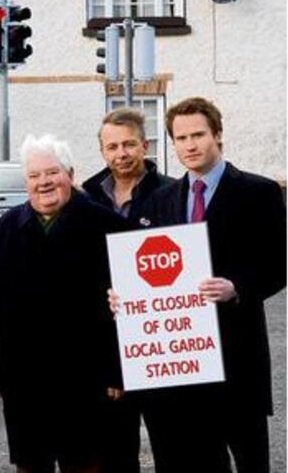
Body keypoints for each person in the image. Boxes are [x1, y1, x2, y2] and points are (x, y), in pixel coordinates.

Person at [132, 97, 286, 473]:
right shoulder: (160, 199)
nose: (190, 145)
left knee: (251, 460)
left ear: (217, 134)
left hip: (238, 357)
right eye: (181, 138)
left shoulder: (259, 191)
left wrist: (238, 287)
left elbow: (281, 262)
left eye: (198, 134)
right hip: (183, 362)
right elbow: (145, 267)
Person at [0, 134, 126, 473]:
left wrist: (117, 370)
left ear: (70, 174)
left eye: (52, 172)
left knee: (84, 463)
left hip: (85, 378)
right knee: (31, 464)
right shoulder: (7, 227)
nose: (43, 182)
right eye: (34, 176)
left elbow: (125, 307)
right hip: (25, 378)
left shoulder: (106, 224)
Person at [81, 108, 175, 473]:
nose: (121, 153)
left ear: (145, 145)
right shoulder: (85, 196)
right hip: (106, 344)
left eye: (129, 144)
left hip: (160, 342)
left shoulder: (171, 193)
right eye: (112, 146)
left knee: (172, 446)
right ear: (102, 151)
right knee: (115, 453)